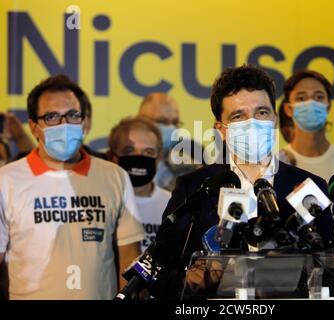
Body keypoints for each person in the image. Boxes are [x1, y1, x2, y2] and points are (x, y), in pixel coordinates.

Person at [151, 65, 334, 299]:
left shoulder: (310, 187)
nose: (253, 123)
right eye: (239, 116)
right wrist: (189, 278)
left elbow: (332, 269)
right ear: (221, 130)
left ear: (275, 119)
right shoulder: (194, 187)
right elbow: (160, 272)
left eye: (261, 112)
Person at [0, 74, 144, 299]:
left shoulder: (114, 176)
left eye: (72, 115)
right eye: (52, 117)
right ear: (33, 127)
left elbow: (130, 258)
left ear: (85, 122)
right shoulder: (6, 180)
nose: (64, 124)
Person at [280, 69, 334, 181]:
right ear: (288, 109)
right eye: (301, 98)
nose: (311, 103)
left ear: (328, 106)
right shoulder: (275, 165)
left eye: (319, 97)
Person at [107, 116, 171, 253]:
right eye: (129, 150)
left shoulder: (172, 204)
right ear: (112, 157)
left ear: (159, 158)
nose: (139, 158)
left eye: (148, 152)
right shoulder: (102, 203)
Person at [138, 92, 202, 191]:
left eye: (175, 122)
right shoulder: (122, 165)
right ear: (141, 122)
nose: (170, 127)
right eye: (162, 121)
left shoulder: (190, 169)